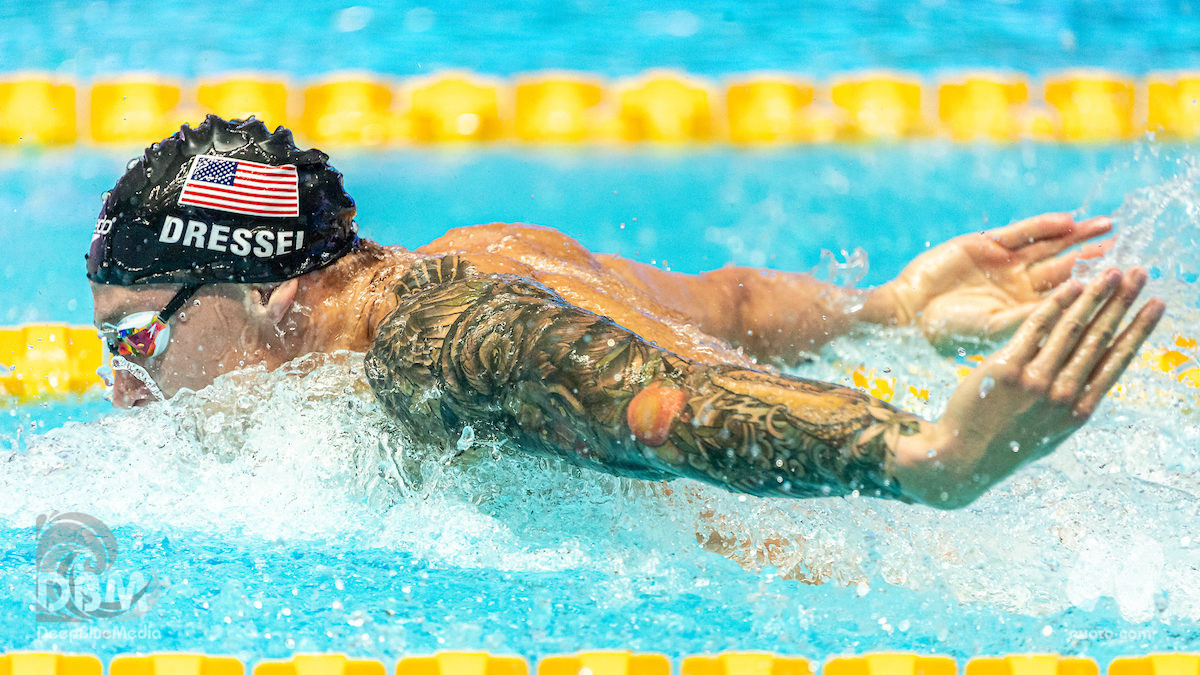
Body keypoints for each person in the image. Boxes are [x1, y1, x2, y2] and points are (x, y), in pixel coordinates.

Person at [89, 116, 1164, 510]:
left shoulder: (437, 343)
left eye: (136, 337)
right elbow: (728, 304)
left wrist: (921, 458)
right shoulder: (487, 252)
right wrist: (887, 308)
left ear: (270, 299)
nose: (121, 384)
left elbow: (676, 400)